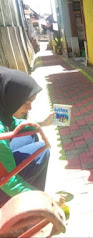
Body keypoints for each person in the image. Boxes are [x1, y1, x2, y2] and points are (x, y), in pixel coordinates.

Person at [0, 66, 54, 205]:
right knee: (42, 151)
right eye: (26, 103)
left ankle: (32, 192)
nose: (29, 108)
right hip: (3, 182)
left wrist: (41, 123)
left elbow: (15, 124)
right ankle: (29, 207)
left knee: (30, 134)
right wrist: (46, 202)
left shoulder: (3, 111)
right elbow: (7, 181)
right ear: (11, 97)